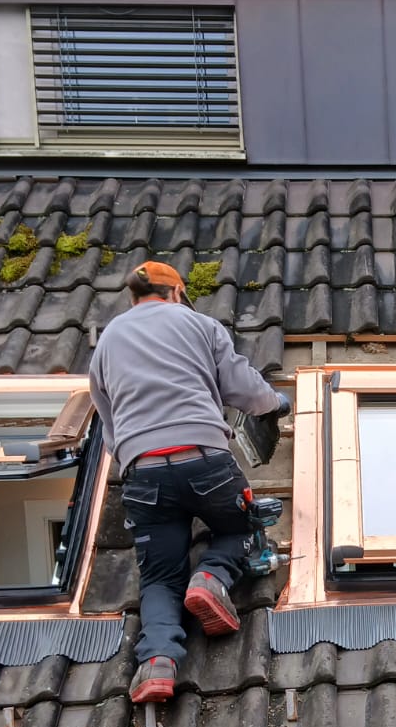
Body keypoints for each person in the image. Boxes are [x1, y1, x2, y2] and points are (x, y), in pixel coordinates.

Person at [88, 260, 289, 704]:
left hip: (142, 472)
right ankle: (211, 578)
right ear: (177, 293)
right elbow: (243, 389)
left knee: (160, 577)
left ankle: (158, 664)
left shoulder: (108, 342)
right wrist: (276, 401)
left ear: (134, 297)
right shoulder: (200, 325)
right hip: (204, 459)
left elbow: (108, 424)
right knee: (240, 528)